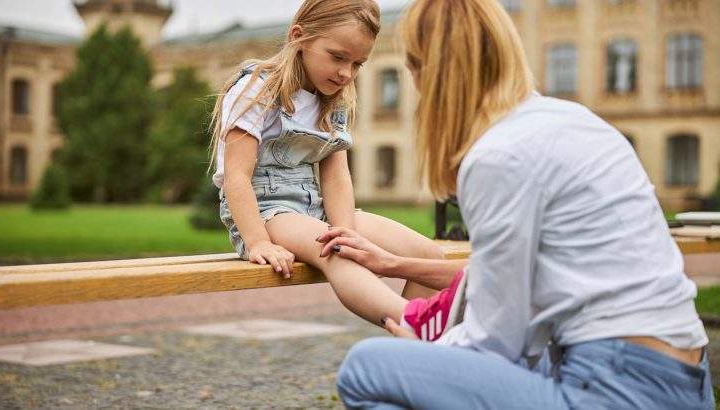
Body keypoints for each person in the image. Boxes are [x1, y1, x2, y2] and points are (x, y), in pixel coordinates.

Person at [326, 0, 715, 408]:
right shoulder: (573, 120)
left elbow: (495, 342)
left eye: (414, 70)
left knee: (366, 367)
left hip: (615, 386)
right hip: (686, 378)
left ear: (433, 73)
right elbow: (512, 286)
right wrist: (396, 267)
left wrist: (423, 347)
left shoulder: (499, 156)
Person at [207, 0, 446, 326]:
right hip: (266, 212)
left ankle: (411, 346)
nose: (347, 73)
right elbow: (236, 176)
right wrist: (258, 241)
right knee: (335, 254)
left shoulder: (334, 101)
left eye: (358, 64)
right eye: (337, 57)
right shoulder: (257, 89)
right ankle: (412, 323)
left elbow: (336, 176)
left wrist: (346, 231)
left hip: (315, 209)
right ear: (299, 37)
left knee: (427, 254)